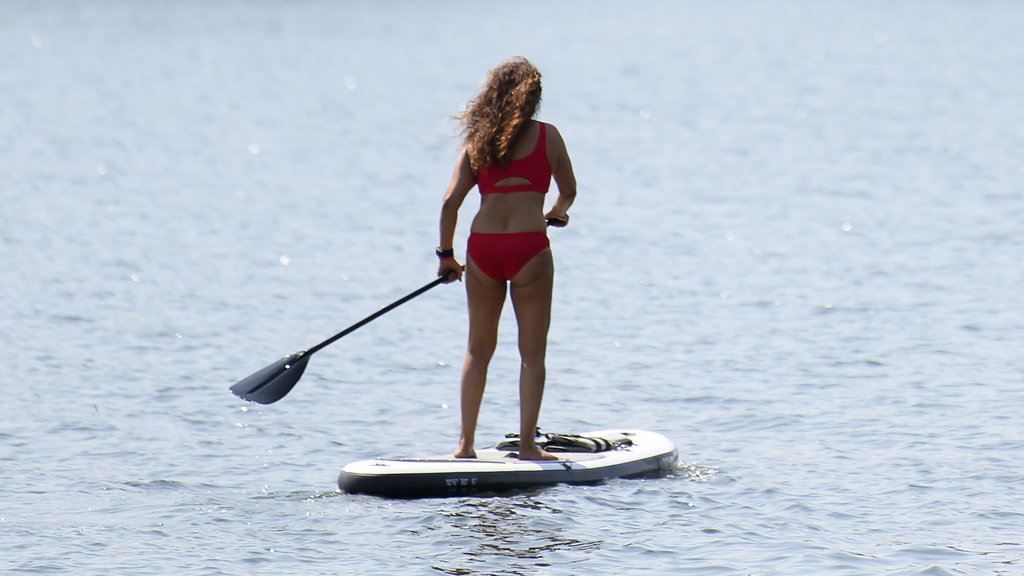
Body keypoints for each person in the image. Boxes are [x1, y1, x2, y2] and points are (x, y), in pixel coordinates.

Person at [436, 57, 577, 461]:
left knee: (477, 351)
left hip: (482, 249)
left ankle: (464, 446)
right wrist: (556, 212)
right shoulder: (549, 138)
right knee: (532, 353)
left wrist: (447, 256)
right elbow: (568, 190)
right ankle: (529, 446)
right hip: (529, 248)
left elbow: (450, 203)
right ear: (533, 98)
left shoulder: (477, 139)